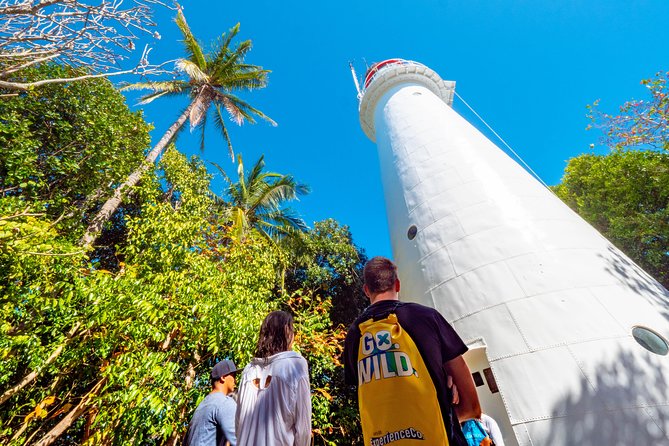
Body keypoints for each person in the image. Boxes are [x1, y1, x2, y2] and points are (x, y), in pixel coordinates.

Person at [343, 256, 481, 445]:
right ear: (397, 284)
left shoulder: (354, 336)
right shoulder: (426, 317)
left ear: (366, 290)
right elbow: (472, 406)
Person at [235, 311, 312, 446]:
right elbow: (303, 428)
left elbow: (238, 425)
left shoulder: (248, 371)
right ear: (287, 333)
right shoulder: (295, 365)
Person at [183, 359, 238, 446]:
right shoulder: (224, 403)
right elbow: (239, 440)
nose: (235, 380)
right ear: (223, 377)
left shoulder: (201, 406)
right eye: (233, 375)